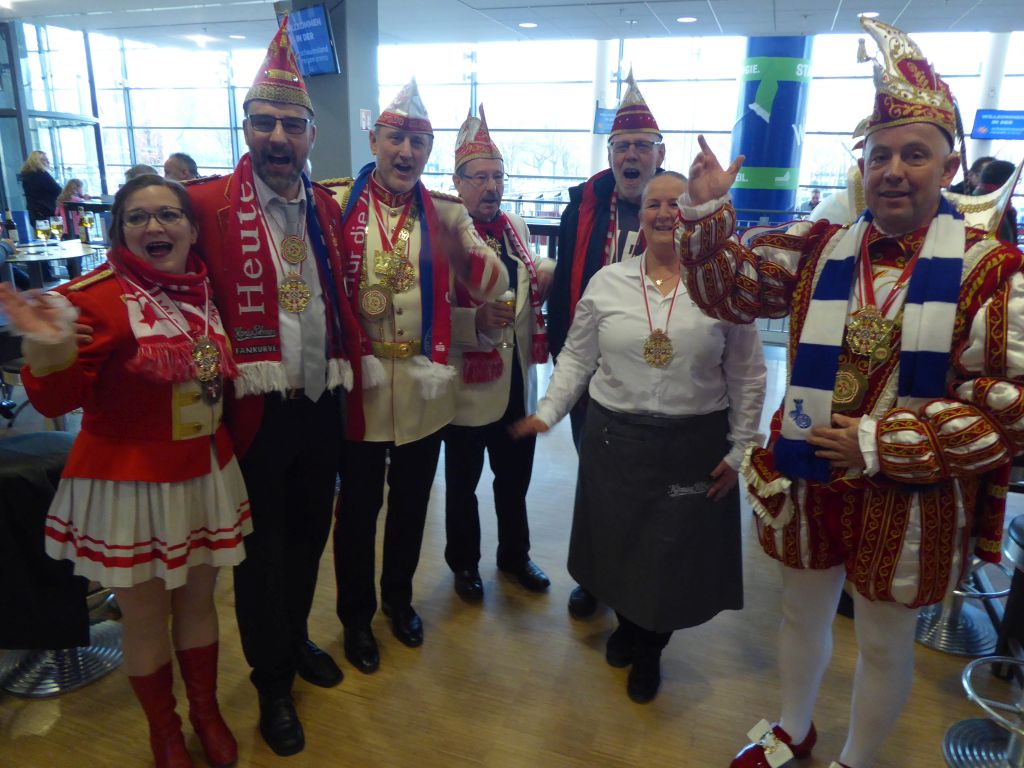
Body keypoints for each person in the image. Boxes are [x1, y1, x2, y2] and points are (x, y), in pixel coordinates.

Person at [678, 19, 1024, 768]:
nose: (894, 170)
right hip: (807, 473)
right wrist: (706, 215)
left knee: (884, 640)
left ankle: (857, 759)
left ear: (949, 166)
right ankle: (792, 729)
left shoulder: (991, 269)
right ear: (862, 165)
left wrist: (879, 441)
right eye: (880, 155)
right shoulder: (820, 245)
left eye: (914, 154)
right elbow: (732, 294)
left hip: (908, 491)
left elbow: (1009, 409)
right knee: (799, 616)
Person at [0, 173, 250, 768]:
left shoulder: (207, 288)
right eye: (137, 217)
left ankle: (206, 712)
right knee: (144, 617)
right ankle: (164, 732)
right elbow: (57, 399)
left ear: (191, 229)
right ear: (119, 231)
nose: (154, 226)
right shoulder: (93, 297)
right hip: (129, 482)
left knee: (199, 604)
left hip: (203, 469)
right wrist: (50, 347)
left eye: (168, 214)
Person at [512, 171, 766, 703]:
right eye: (654, 204)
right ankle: (629, 626)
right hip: (615, 439)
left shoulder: (721, 287)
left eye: (676, 203)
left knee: (671, 554)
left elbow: (747, 374)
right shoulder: (608, 282)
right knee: (620, 542)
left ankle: (651, 647)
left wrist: (741, 447)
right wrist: (549, 411)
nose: (665, 213)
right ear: (640, 214)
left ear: (693, 213)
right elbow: (578, 356)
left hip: (692, 443)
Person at [185, 18, 364, 757]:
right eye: (264, 123)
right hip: (253, 412)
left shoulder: (325, 207)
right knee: (261, 556)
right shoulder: (206, 206)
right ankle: (271, 683)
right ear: (246, 129)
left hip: (320, 402)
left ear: (312, 133)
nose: (278, 137)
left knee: (309, 537)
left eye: (292, 124)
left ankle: (293, 639)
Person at [322, 79, 507, 674]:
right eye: (395, 140)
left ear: (428, 153)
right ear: (374, 140)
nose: (405, 153)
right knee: (356, 512)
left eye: (418, 144)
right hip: (360, 386)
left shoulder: (446, 212)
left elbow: (495, 284)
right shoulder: (336, 202)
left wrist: (462, 247)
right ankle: (355, 618)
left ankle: (398, 602)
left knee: (409, 506)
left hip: (424, 385)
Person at [547, 69, 665, 620]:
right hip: (592, 375)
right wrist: (560, 357)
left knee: (645, 487)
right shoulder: (583, 209)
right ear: (612, 154)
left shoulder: (682, 214)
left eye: (641, 145)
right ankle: (594, 578)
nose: (631, 155)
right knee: (595, 478)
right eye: (622, 146)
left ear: (660, 153)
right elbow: (562, 297)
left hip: (655, 376)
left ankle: (636, 594)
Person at [444, 106, 554, 602]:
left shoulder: (516, 227)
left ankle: (514, 556)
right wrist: (472, 323)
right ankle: (464, 565)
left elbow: (523, 287)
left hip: (516, 383)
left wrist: (544, 281)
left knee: (514, 480)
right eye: (480, 178)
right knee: (463, 485)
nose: (491, 187)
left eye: (498, 177)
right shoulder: (444, 233)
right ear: (457, 182)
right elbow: (426, 314)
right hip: (467, 386)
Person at [973, 159, 1019, 244]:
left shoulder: (983, 198)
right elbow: (1001, 242)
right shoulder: (991, 207)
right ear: (1008, 181)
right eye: (1016, 180)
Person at [19, 150, 61, 223]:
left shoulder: (26, 175)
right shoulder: (41, 174)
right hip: (47, 212)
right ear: (36, 161)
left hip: (34, 212)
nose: (48, 162)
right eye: (44, 159)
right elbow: (58, 190)